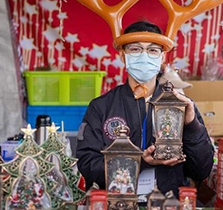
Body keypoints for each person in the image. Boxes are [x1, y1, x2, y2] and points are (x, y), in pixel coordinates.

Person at [76, 21, 214, 198]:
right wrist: (139, 162)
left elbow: (201, 171)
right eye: (135, 49)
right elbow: (88, 166)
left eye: (153, 50)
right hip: (117, 206)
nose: (144, 56)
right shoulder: (101, 107)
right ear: (122, 56)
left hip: (168, 206)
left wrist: (192, 125)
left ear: (163, 57)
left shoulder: (182, 105)